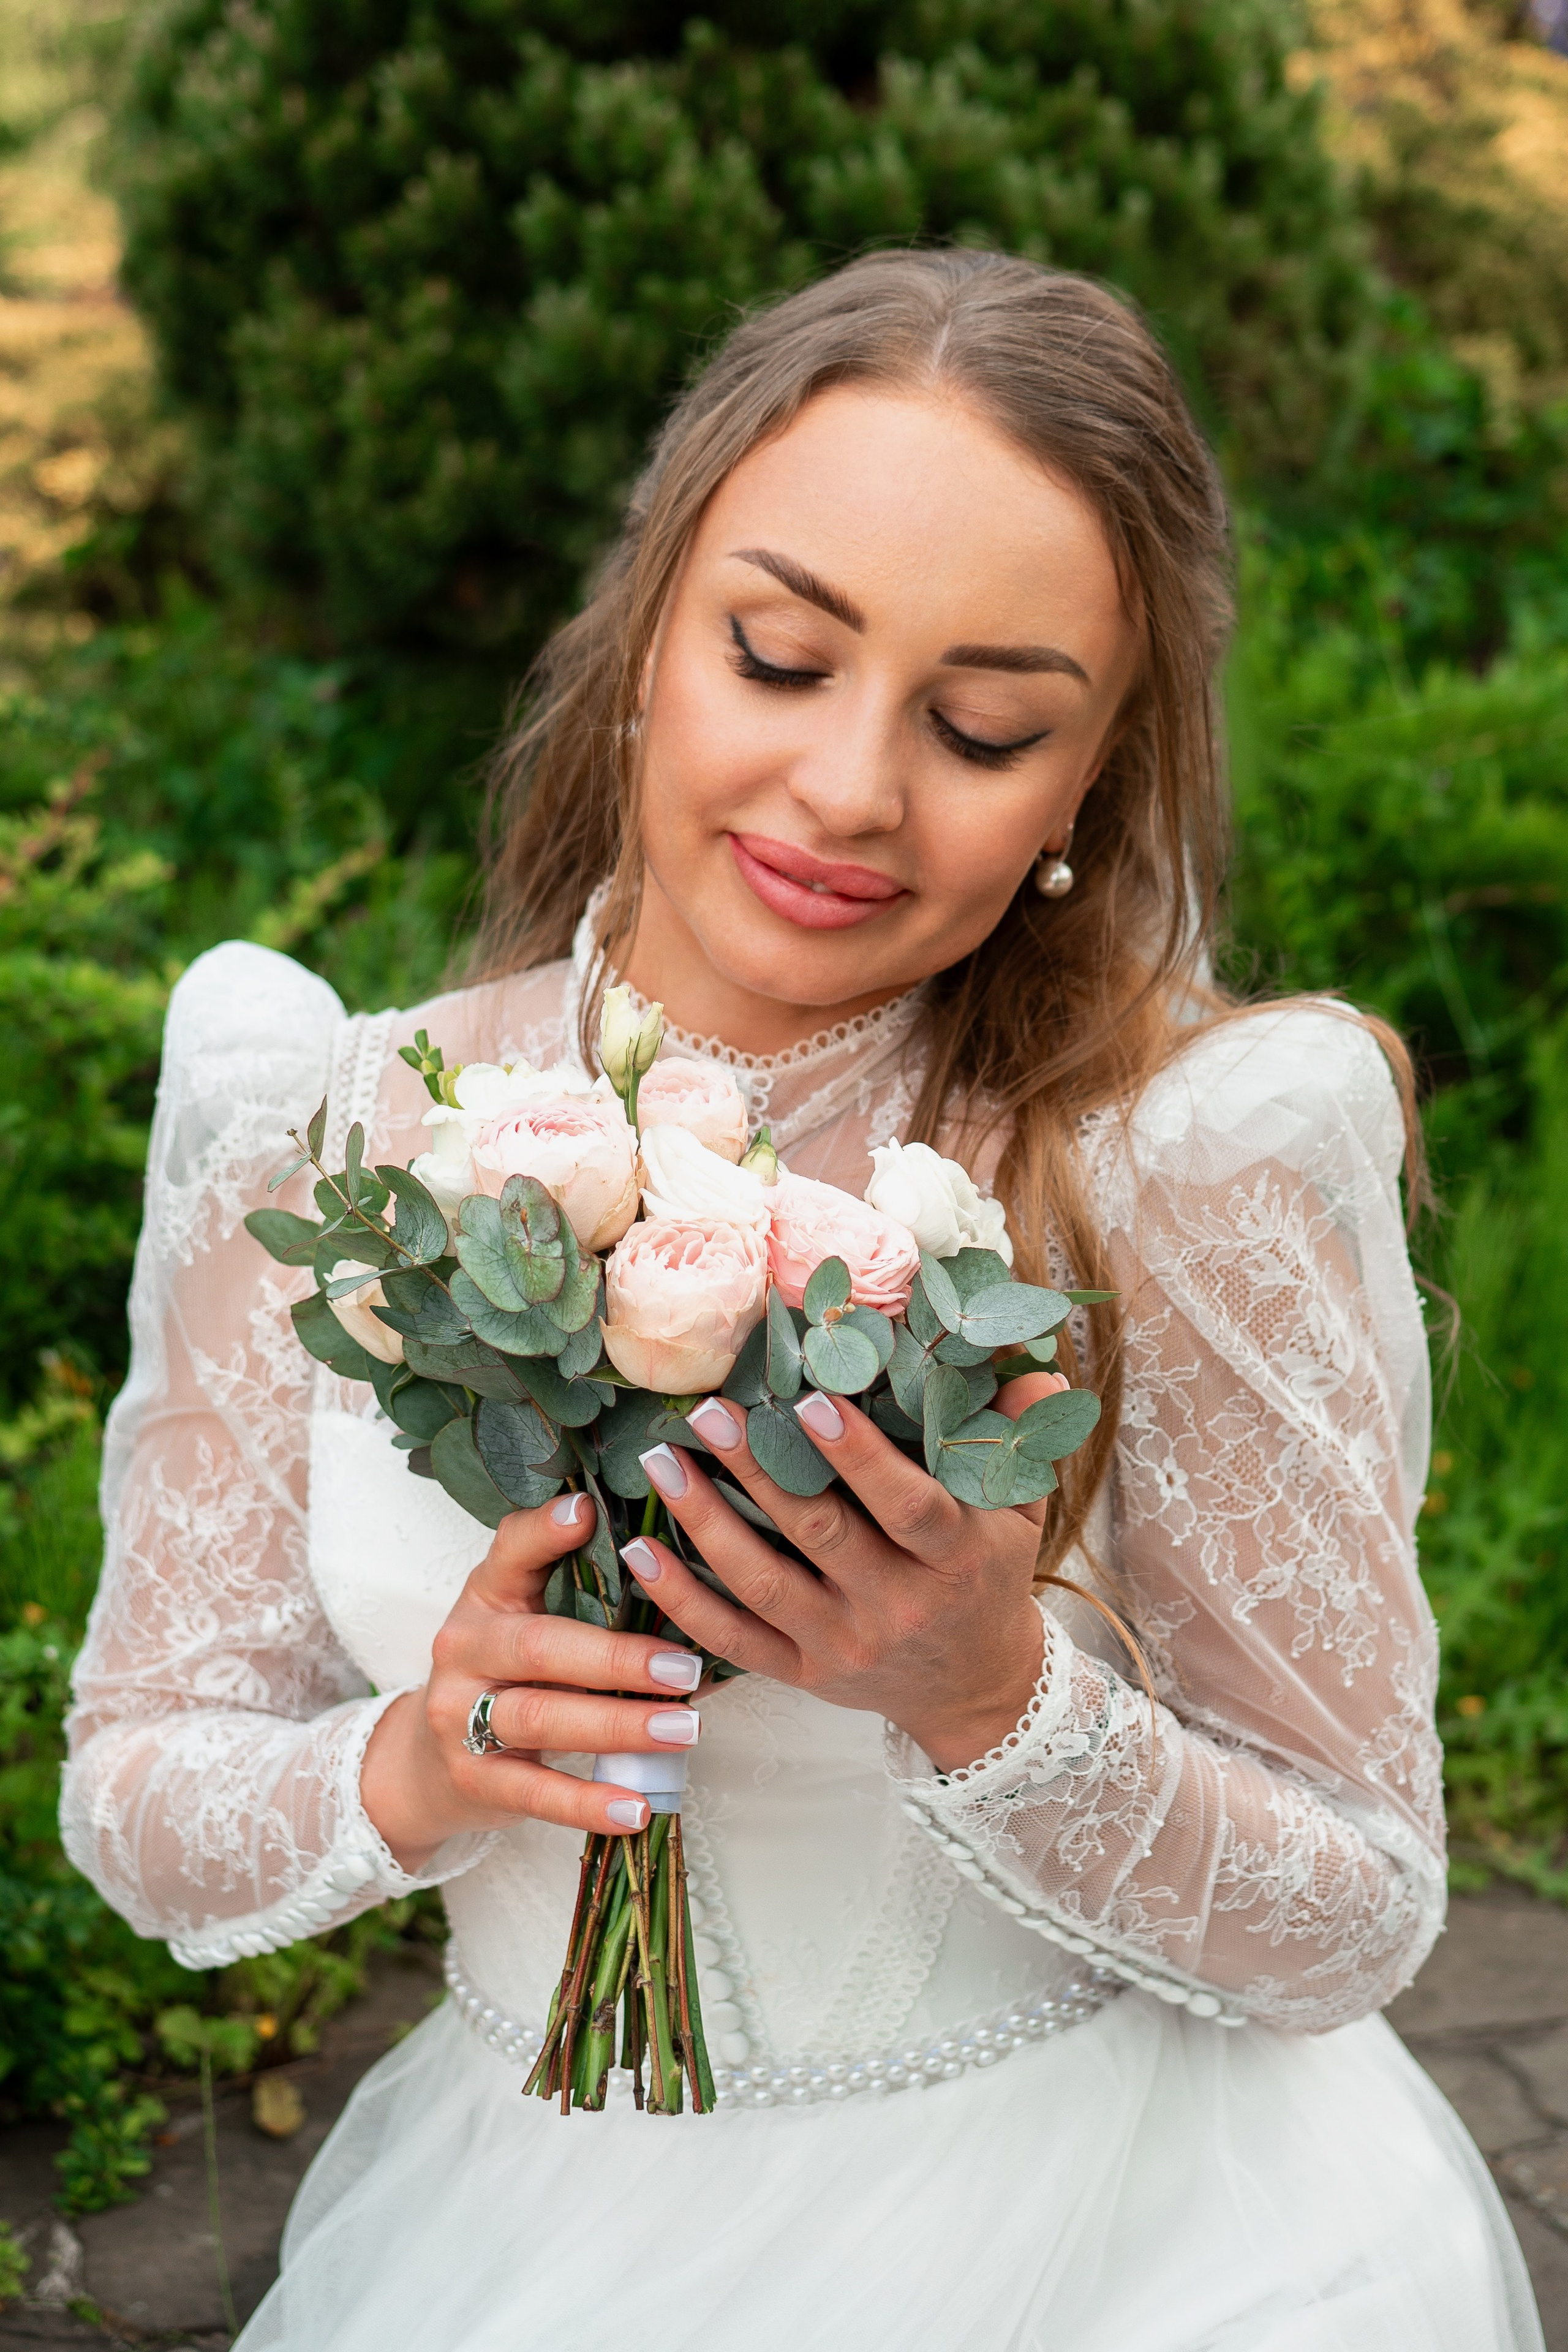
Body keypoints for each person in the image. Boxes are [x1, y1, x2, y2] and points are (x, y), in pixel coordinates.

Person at [63, 249, 1542, 2351]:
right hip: (530, 2247)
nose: (854, 788)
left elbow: (1358, 1915)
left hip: (1139, 2257)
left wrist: (989, 1694)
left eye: (984, 725)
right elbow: (141, 1793)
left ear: (1088, 780)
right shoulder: (326, 1132)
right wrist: (423, 1760)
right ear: (652, 632)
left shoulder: (1174, 1159)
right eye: (780, 655)